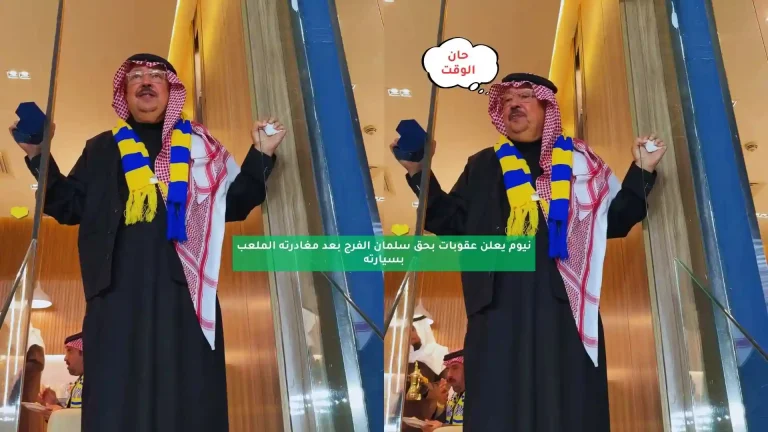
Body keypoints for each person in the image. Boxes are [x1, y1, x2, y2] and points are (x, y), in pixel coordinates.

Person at [9, 53, 286, 432]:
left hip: (184, 296)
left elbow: (234, 204)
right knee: (115, 399)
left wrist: (262, 153)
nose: (146, 81)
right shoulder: (101, 149)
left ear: (171, 90)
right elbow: (67, 206)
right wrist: (39, 154)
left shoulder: (200, 148)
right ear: (124, 92)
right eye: (136, 75)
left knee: (189, 397)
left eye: (156, 75)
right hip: (115, 299)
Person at [392, 72, 666, 431]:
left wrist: (642, 170)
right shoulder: (482, 165)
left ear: (546, 106)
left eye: (524, 96)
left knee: (568, 403)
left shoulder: (581, 164)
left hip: (564, 305)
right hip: (496, 308)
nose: (513, 105)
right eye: (506, 100)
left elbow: (614, 221)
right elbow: (448, 220)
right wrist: (419, 171)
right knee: (497, 405)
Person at [402, 313, 449, 432]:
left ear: (422, 329)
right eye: (407, 329)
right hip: (404, 411)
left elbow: (445, 384)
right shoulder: (404, 354)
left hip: (428, 412)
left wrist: (424, 389)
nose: (410, 333)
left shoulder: (438, 352)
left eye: (413, 329)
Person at [40, 332, 85, 420]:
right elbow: (75, 417)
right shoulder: (80, 381)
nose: (65, 358)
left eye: (69, 350)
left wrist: (60, 414)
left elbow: (91, 420)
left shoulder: (97, 382)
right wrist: (55, 403)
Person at [421, 349, 466, 432]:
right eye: (448, 369)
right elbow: (440, 422)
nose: (449, 375)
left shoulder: (480, 396)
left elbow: (478, 428)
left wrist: (442, 427)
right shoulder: (454, 396)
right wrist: (441, 403)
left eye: (455, 368)